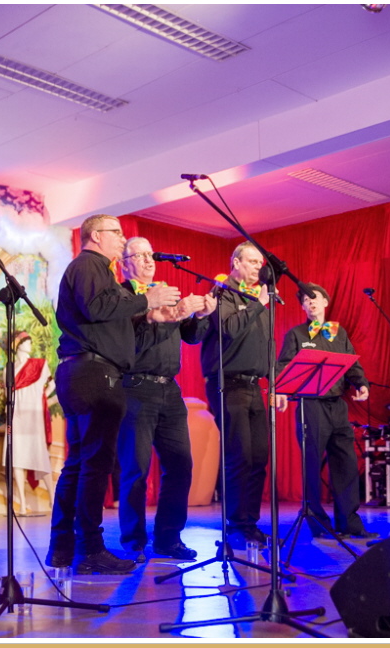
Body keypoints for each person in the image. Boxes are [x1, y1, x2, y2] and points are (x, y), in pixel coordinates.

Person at [46, 215, 182, 575]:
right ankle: (89, 549)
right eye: (117, 233)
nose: (122, 239)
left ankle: (63, 548)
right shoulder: (89, 265)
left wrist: (149, 317)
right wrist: (147, 299)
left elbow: (106, 318)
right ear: (95, 235)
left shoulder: (94, 270)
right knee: (93, 465)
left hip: (83, 371)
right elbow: (99, 308)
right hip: (93, 373)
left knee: (80, 464)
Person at [117, 237, 215, 562]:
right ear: (124, 264)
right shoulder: (123, 298)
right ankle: (133, 542)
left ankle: (168, 539)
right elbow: (129, 345)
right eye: (139, 255)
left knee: (181, 465)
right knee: (136, 469)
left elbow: (191, 337)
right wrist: (159, 316)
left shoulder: (166, 290)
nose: (148, 260)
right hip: (135, 387)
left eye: (150, 254)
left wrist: (200, 316)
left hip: (170, 390)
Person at [275, 283, 376, 540]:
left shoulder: (338, 332)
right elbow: (283, 366)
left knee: (346, 463)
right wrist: (281, 390)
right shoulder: (296, 334)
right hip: (310, 405)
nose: (310, 302)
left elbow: (352, 363)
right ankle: (318, 524)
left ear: (325, 302)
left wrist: (362, 384)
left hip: (338, 405)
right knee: (311, 464)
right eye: (305, 300)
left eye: (314, 298)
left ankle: (349, 523)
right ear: (302, 307)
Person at [200, 241, 273, 548]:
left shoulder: (259, 298)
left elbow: (266, 344)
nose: (258, 267)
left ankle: (249, 522)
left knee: (259, 457)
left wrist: (274, 382)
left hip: (255, 386)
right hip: (227, 384)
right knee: (239, 455)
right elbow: (229, 328)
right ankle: (234, 524)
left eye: (260, 263)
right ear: (236, 263)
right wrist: (258, 304)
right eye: (252, 261)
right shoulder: (222, 292)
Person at [4, 331, 55, 515]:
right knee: (17, 458)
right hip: (17, 415)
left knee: (40, 456)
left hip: (34, 414)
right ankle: (23, 504)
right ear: (17, 345)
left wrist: (42, 399)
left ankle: (53, 500)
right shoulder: (9, 368)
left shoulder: (39, 364)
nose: (30, 345)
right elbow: (8, 395)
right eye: (26, 341)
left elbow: (52, 385)